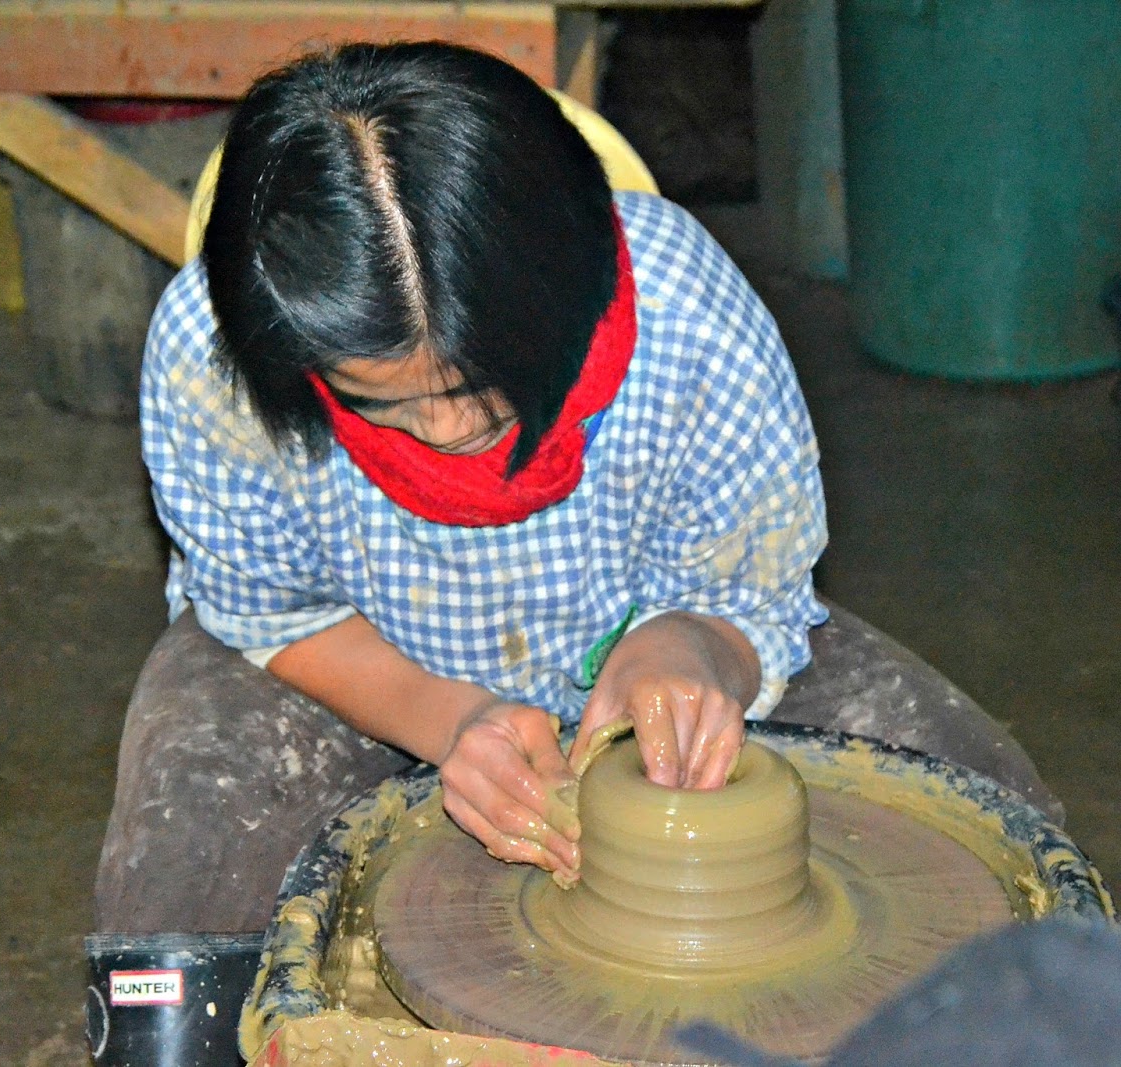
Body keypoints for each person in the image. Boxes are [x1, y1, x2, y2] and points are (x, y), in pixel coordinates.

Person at [84, 41, 1062, 1065]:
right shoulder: (217, 356)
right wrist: (447, 717)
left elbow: (748, 579)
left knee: (993, 823)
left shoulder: (682, 309)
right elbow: (272, 611)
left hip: (638, 620)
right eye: (385, 398)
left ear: (564, 279)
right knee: (183, 898)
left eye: (478, 382)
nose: (453, 430)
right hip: (343, 654)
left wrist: (688, 649)